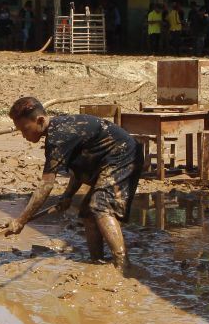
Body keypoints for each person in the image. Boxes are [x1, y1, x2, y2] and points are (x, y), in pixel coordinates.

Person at [8, 97, 143, 274]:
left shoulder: (58, 136)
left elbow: (46, 186)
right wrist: (68, 196)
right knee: (88, 212)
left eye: (25, 129)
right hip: (104, 161)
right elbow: (80, 168)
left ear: (40, 120)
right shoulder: (59, 132)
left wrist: (21, 220)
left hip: (123, 156)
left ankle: (122, 264)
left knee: (101, 206)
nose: (24, 136)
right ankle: (97, 260)